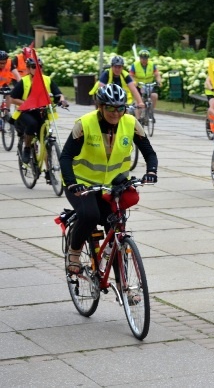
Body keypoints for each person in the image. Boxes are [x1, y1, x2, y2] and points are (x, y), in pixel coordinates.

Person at [59, 84, 158, 274]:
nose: (115, 113)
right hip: (83, 185)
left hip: (113, 187)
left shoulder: (130, 123)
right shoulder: (85, 123)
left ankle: (125, 286)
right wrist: (72, 183)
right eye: (110, 108)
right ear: (100, 107)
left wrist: (151, 171)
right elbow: (65, 157)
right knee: (90, 216)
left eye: (120, 108)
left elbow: (149, 153)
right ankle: (74, 251)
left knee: (116, 233)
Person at [11, 57, 68, 163]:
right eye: (34, 67)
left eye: (40, 67)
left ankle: (48, 174)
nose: (38, 69)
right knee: (32, 124)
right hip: (26, 112)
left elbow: (58, 93)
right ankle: (27, 148)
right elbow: (13, 99)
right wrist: (27, 103)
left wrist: (62, 100)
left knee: (45, 142)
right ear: (28, 69)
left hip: (41, 112)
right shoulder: (24, 82)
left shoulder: (47, 80)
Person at [129, 49, 162, 113]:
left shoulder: (152, 65)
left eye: (146, 58)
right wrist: (134, 82)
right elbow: (131, 75)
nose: (144, 60)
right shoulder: (135, 65)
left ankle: (151, 111)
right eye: (142, 58)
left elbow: (157, 74)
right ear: (140, 58)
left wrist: (159, 81)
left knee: (154, 96)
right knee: (139, 101)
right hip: (139, 86)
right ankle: (138, 119)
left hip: (149, 85)